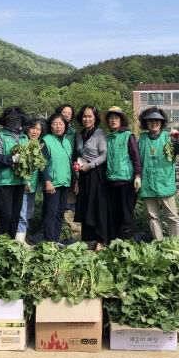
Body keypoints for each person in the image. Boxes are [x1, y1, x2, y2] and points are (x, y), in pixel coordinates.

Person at [137, 107, 179, 241]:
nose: (154, 123)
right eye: (150, 120)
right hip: (148, 183)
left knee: (172, 216)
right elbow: (136, 159)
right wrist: (137, 177)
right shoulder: (142, 139)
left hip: (165, 182)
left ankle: (177, 243)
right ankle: (159, 242)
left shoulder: (168, 137)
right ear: (146, 123)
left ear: (162, 123)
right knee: (153, 216)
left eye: (157, 120)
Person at [102, 105, 141, 240]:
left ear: (121, 120)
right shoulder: (107, 138)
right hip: (111, 181)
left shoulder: (127, 135)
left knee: (127, 214)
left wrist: (137, 176)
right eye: (111, 118)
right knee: (114, 213)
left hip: (126, 181)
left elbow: (136, 156)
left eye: (116, 118)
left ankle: (128, 241)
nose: (113, 120)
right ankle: (116, 242)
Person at [73, 105, 109, 250]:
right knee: (86, 205)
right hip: (84, 174)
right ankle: (89, 240)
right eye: (84, 116)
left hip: (97, 173)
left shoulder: (99, 133)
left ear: (95, 118)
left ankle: (101, 240)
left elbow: (104, 155)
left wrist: (90, 165)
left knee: (98, 206)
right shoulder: (81, 134)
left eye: (89, 116)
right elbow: (79, 156)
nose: (87, 119)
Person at [0, 105, 28, 238]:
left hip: (19, 181)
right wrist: (12, 159)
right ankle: (0, 243)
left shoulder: (24, 137)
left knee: (15, 216)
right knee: (6, 215)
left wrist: (27, 178)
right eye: (12, 118)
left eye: (17, 118)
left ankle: (11, 244)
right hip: (4, 181)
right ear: (6, 120)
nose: (15, 120)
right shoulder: (0, 136)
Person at [40, 113, 74, 246]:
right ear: (50, 126)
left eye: (61, 123)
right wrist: (47, 181)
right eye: (55, 123)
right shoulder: (46, 140)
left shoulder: (66, 141)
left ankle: (55, 240)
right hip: (52, 183)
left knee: (60, 213)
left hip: (64, 182)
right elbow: (42, 163)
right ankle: (49, 241)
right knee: (51, 213)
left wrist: (73, 180)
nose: (58, 126)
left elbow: (69, 162)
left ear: (65, 126)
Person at [15, 117, 45, 245]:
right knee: (22, 211)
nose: (35, 131)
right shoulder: (22, 141)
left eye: (38, 129)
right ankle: (19, 240)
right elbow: (19, 164)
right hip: (23, 183)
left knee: (29, 211)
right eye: (33, 128)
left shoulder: (39, 143)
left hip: (32, 184)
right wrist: (24, 180)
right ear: (27, 129)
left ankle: (22, 237)